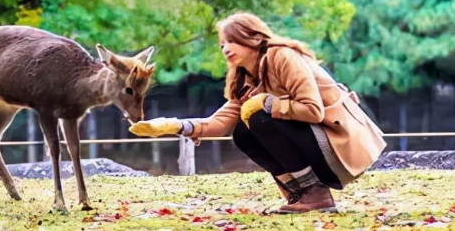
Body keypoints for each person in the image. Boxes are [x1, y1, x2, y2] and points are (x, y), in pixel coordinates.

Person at [129, 12, 387, 214]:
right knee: (242, 134)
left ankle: (314, 193)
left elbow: (312, 110)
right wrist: (174, 126)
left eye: (232, 41)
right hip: (318, 148)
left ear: (252, 38)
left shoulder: (283, 56)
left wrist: (268, 103)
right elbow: (220, 123)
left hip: (339, 145)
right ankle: (300, 192)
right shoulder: (243, 77)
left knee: (259, 118)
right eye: (222, 45)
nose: (225, 49)